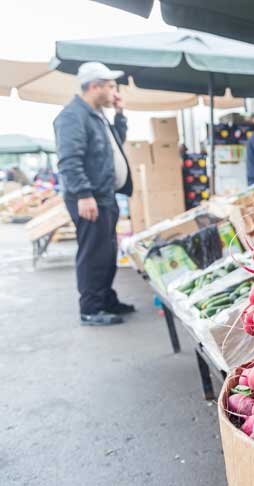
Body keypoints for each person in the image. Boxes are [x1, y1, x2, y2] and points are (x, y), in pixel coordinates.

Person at [54, 62, 135, 326]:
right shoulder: (72, 117)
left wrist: (120, 113)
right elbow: (69, 160)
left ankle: (106, 299)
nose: (114, 91)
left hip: (104, 194)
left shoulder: (96, 115)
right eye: (110, 86)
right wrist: (83, 194)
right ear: (94, 86)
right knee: (93, 253)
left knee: (107, 251)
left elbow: (116, 145)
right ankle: (91, 308)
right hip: (91, 196)